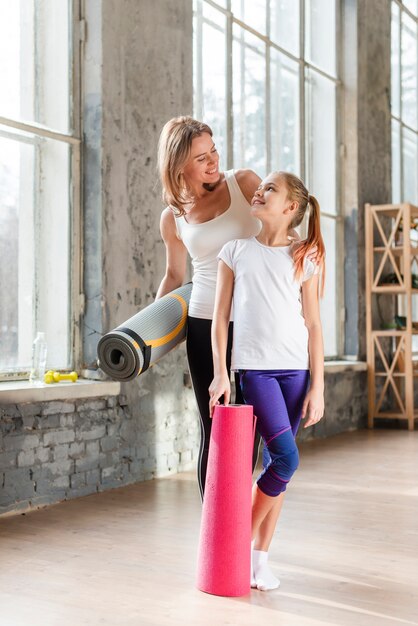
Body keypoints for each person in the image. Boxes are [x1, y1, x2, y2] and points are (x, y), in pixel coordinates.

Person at [156, 116, 318, 499]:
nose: (213, 161)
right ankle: (212, 535)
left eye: (213, 150)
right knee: (213, 428)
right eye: (201, 158)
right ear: (179, 165)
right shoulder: (172, 218)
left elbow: (282, 225)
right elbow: (174, 275)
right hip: (204, 324)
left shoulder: (243, 182)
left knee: (246, 434)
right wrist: (147, 330)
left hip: (253, 325)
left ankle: (236, 533)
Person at [209, 170, 325, 591]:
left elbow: (313, 325)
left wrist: (319, 386)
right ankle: (233, 542)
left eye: (270, 189)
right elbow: (220, 319)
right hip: (255, 370)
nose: (259, 191)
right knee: (286, 460)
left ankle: (259, 561)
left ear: (290, 208)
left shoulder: (304, 257)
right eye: (262, 187)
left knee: (280, 467)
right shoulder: (235, 250)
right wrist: (221, 372)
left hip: (297, 372)